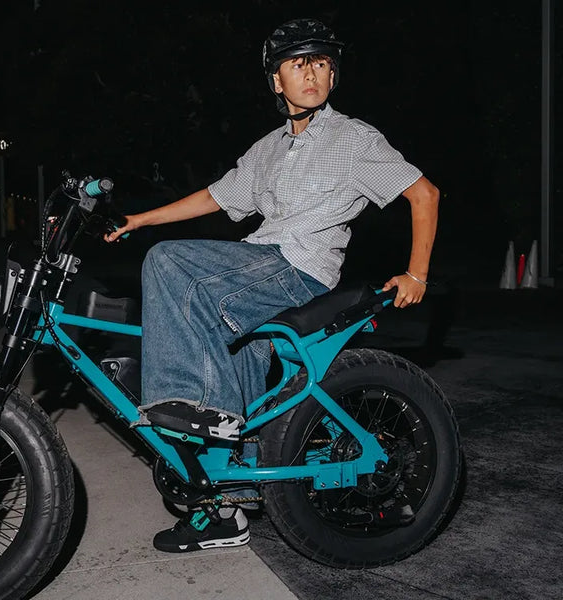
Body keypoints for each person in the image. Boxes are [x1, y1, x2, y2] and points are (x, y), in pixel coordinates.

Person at [105, 18, 439, 553]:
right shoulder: (268, 150)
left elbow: (424, 194)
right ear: (276, 81)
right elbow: (215, 196)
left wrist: (415, 272)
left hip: (298, 270)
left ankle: (195, 405)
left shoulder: (353, 139)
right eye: (298, 63)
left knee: (170, 265)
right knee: (214, 329)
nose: (313, 73)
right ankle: (223, 508)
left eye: (323, 62)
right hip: (258, 270)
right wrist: (140, 220)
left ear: (334, 76)